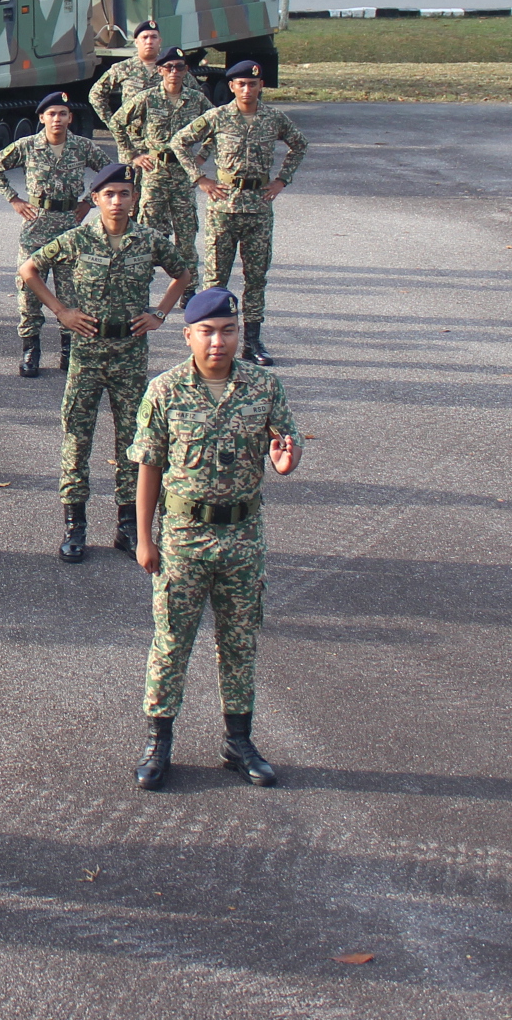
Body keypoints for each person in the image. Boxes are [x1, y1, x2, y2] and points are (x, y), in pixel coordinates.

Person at [128, 287, 299, 792]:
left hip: (243, 536)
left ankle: (238, 740)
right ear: (188, 336)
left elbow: (282, 443)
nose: (218, 342)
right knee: (171, 642)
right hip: (182, 536)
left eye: (227, 331)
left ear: (238, 333)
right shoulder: (165, 390)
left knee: (239, 642)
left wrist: (285, 463)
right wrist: (144, 538)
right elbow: (149, 467)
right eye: (207, 331)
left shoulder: (264, 388)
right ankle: (159, 741)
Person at [18, 161, 195, 563]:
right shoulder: (78, 239)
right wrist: (61, 311)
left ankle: (128, 525)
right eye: (109, 195)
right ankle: (74, 526)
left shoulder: (148, 241)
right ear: (95, 199)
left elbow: (183, 273)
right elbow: (29, 270)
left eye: (125, 194)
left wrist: (160, 314)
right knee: (77, 438)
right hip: (87, 352)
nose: (117, 202)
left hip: (130, 353)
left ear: (135, 200)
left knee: (132, 440)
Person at [168, 59, 309, 365]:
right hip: (223, 207)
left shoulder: (273, 118)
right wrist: (200, 178)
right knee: (216, 278)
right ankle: (207, 335)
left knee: (256, 277)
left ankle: (253, 341)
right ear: (231, 86)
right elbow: (179, 141)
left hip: (258, 207)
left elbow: (299, 144)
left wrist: (282, 180)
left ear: (261, 86)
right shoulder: (217, 117)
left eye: (253, 84)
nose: (247, 89)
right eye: (241, 84)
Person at [0, 91, 108, 378]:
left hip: (69, 226)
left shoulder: (82, 147)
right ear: (42, 118)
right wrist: (14, 199)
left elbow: (109, 171)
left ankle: (68, 348)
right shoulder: (28, 146)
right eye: (51, 114)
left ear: (70, 118)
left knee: (71, 290)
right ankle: (30, 348)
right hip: (36, 225)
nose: (57, 119)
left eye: (63, 113)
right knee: (28, 290)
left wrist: (89, 201)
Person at [110, 49, 209, 269]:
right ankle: (141, 291)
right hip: (155, 174)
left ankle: (188, 291)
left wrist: (202, 155)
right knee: (146, 237)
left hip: (183, 175)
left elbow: (217, 126)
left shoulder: (196, 99)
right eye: (169, 67)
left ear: (186, 70)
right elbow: (117, 123)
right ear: (160, 70)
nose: (174, 72)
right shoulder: (147, 98)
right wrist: (134, 154)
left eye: (179, 67)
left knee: (186, 238)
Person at [87, 19, 167, 134]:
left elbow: (195, 96)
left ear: (159, 41)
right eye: (144, 37)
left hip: (163, 138)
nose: (149, 41)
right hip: (132, 139)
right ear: (136, 42)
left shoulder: (171, 69)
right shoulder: (123, 68)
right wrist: (113, 123)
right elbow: (96, 94)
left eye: (153, 37)